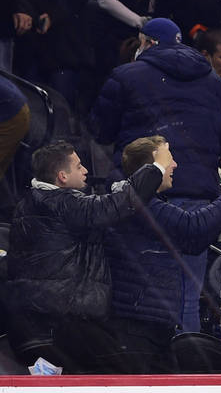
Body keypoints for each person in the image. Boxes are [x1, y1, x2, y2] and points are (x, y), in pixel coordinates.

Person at [93, 16, 221, 333]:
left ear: (148, 43)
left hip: (145, 196)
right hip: (198, 197)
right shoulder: (212, 80)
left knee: (139, 298)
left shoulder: (126, 75)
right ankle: (188, 373)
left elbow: (100, 130)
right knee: (187, 299)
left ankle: (148, 374)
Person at [7, 140, 166, 373]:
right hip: (61, 325)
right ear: (62, 176)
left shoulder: (29, 203)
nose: (86, 171)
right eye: (79, 166)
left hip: (31, 325)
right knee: (129, 373)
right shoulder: (62, 203)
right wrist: (157, 168)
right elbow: (114, 206)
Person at [104, 135, 221, 371]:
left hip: (154, 322)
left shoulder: (145, 200)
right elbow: (191, 226)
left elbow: (193, 242)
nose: (175, 165)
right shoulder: (135, 201)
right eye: (169, 159)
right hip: (137, 325)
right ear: (154, 165)